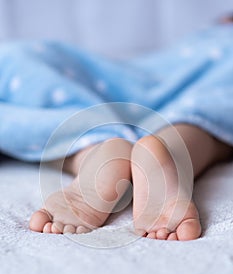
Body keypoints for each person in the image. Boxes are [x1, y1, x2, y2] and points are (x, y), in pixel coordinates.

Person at [2, 19, 233, 240]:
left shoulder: (202, 38)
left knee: (30, 87)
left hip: (98, 77)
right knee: (205, 111)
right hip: (203, 75)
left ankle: (96, 151)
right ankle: (172, 152)